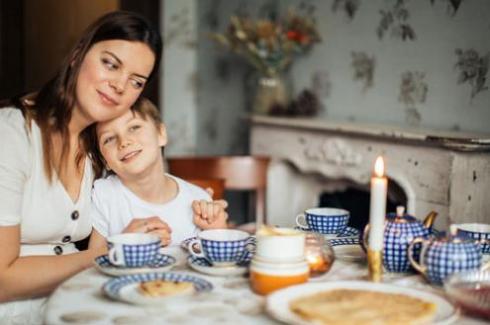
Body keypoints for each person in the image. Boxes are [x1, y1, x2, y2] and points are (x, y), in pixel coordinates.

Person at [0, 11, 165, 323]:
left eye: (136, 81)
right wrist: (103, 256)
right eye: (111, 64)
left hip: (76, 306)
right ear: (78, 55)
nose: (119, 85)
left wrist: (198, 207)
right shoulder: (10, 133)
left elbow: (148, 192)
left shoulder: (100, 146)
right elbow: (1, 281)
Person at [88, 98, 228, 248]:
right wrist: (125, 242)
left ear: (161, 134)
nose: (124, 142)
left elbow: (219, 263)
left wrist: (219, 232)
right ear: (105, 161)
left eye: (134, 127)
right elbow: (91, 263)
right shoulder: (104, 195)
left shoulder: (199, 201)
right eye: (109, 139)